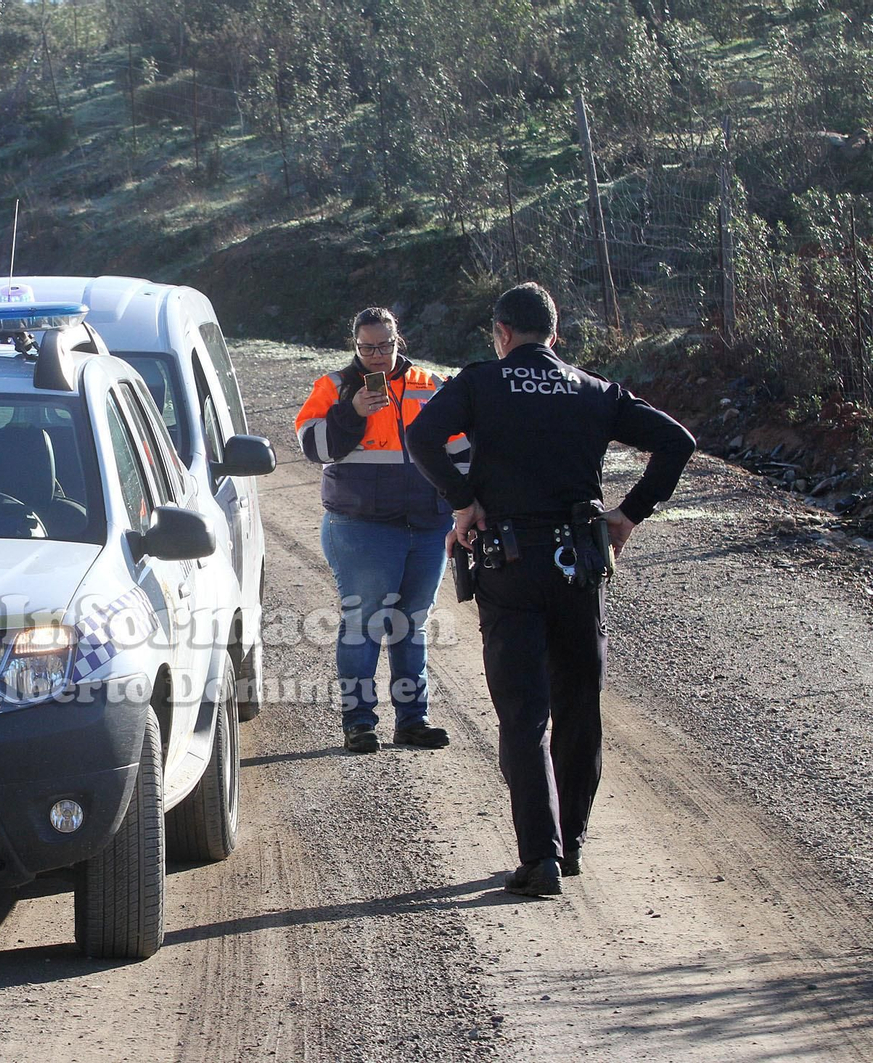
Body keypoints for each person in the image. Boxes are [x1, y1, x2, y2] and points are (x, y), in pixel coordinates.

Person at [406, 282, 695, 897]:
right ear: (555, 336)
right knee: (578, 705)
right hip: (578, 564)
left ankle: (540, 856)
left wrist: (463, 502)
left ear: (502, 334)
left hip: (507, 563)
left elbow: (422, 437)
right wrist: (630, 514)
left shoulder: (481, 382)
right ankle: (575, 845)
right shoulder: (593, 389)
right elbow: (677, 441)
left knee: (523, 712)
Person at [295, 307, 470, 755]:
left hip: (428, 524)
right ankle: (359, 723)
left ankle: (413, 721)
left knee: (411, 624)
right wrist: (351, 413)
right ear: (354, 345)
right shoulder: (333, 387)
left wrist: (465, 504)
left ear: (399, 341)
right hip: (362, 527)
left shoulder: (432, 386)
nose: (378, 355)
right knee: (365, 621)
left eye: (385, 345)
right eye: (368, 347)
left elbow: (464, 452)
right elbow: (315, 448)